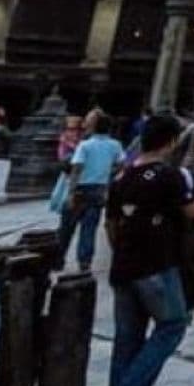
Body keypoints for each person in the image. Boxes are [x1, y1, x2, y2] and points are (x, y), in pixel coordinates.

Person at [101, 113, 194, 386]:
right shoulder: (169, 176)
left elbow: (112, 227)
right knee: (172, 326)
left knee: (127, 340)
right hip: (157, 267)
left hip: (124, 268)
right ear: (172, 142)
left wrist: (125, 250)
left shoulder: (121, 178)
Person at [60, 112, 126, 271]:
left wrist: (70, 192)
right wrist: (109, 173)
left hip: (81, 188)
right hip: (100, 189)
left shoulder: (85, 145)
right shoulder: (115, 145)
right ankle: (85, 261)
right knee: (89, 228)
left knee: (67, 227)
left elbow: (76, 169)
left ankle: (58, 257)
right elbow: (122, 164)